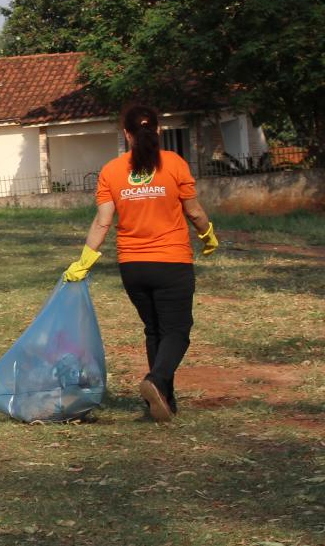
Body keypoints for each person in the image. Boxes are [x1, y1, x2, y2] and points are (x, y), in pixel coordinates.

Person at [63, 105, 218, 421]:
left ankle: (163, 403)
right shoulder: (174, 164)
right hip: (172, 263)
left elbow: (102, 222)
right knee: (177, 330)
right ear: (158, 131)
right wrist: (208, 235)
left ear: (126, 134)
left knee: (155, 330)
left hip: (132, 267)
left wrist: (84, 261)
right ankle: (156, 381)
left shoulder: (111, 171)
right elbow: (195, 212)